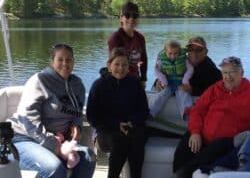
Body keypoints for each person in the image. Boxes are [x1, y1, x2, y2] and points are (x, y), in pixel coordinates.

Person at [172, 56, 250, 178]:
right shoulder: (214, 89)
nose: (228, 77)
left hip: (226, 142)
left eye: (233, 72)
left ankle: (186, 173)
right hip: (201, 136)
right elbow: (197, 111)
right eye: (225, 72)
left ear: (241, 73)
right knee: (181, 155)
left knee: (190, 168)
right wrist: (195, 132)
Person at [7, 43, 96, 178]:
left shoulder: (78, 85)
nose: (65, 63)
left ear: (74, 62)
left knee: (89, 158)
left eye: (69, 59)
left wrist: (77, 126)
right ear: (52, 61)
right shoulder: (39, 81)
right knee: (54, 168)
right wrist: (54, 146)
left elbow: (77, 113)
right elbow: (28, 120)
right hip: (23, 138)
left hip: (60, 139)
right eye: (60, 59)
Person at [86, 47, 149, 178]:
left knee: (137, 138)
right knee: (120, 140)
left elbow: (144, 111)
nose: (121, 68)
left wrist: (131, 122)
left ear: (128, 67)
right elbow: (92, 117)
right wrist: (116, 125)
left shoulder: (134, 83)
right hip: (105, 131)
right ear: (109, 66)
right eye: (117, 64)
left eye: (124, 65)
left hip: (130, 127)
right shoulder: (99, 85)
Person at [149, 39, 194, 120]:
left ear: (179, 52)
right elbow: (157, 70)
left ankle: (186, 113)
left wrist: (185, 80)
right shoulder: (162, 60)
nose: (173, 56)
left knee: (184, 95)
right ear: (165, 52)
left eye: (175, 53)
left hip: (180, 83)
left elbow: (190, 69)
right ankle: (151, 112)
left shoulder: (184, 59)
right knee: (163, 94)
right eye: (170, 53)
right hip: (168, 83)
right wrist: (162, 79)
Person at [108, 1, 147, 87]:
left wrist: (143, 79)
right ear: (121, 18)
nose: (131, 19)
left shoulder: (140, 38)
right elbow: (114, 66)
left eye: (135, 16)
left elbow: (143, 59)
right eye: (128, 15)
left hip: (136, 82)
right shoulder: (115, 38)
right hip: (119, 83)